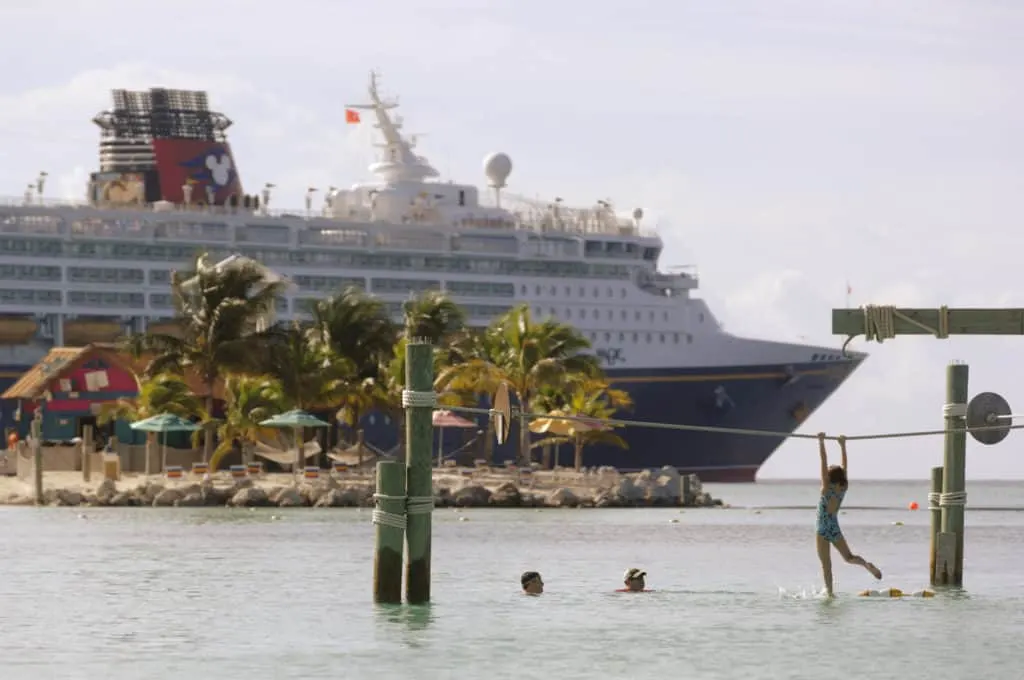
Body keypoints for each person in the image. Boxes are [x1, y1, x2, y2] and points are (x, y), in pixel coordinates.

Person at [816, 433, 882, 597]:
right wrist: (843, 445)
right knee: (849, 557)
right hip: (834, 526)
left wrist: (821, 441)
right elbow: (844, 468)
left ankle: (830, 593)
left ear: (829, 477)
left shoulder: (826, 489)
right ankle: (865, 564)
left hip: (822, 528)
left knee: (826, 564)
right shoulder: (842, 489)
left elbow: (823, 461)